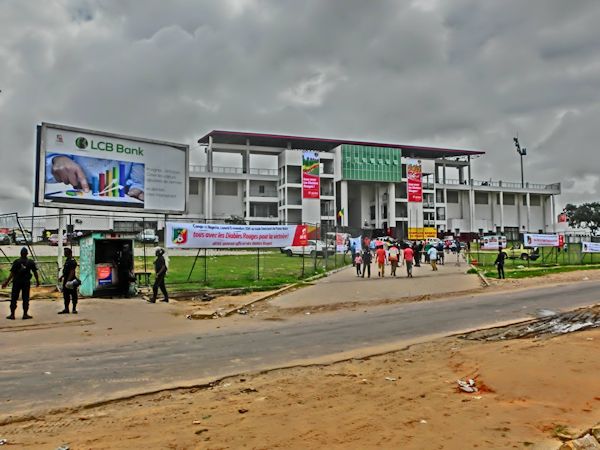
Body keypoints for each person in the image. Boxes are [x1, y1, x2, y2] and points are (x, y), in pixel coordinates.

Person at [45, 154, 145, 200]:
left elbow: (140, 164)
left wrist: (139, 186)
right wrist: (56, 159)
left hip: (122, 199)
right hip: (82, 200)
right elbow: (43, 170)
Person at [2, 247, 40, 320]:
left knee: (14, 298)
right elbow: (35, 272)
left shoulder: (16, 262)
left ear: (20, 254)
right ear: (27, 254)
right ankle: (25, 314)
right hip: (26, 282)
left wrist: (6, 283)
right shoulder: (30, 262)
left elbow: (12, 274)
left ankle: (12, 314)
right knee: (25, 298)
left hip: (17, 282)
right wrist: (37, 281)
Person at [58, 247, 78, 314]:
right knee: (66, 295)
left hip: (71, 281)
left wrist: (68, 281)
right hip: (66, 279)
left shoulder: (72, 261)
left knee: (73, 295)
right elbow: (66, 271)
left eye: (65, 252)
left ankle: (74, 309)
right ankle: (66, 309)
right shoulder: (67, 260)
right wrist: (62, 277)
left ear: (69, 253)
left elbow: (72, 272)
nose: (64, 254)